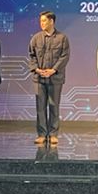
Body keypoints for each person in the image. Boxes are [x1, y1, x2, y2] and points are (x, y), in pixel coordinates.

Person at [28, 11, 70, 145]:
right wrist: (36, 69)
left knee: (53, 106)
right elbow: (32, 55)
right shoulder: (36, 38)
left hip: (55, 78)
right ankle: (41, 134)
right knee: (40, 107)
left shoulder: (62, 38)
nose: (42, 23)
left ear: (51, 21)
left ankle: (53, 134)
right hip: (39, 78)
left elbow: (65, 56)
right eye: (40, 21)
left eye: (44, 21)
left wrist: (53, 70)